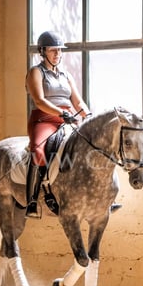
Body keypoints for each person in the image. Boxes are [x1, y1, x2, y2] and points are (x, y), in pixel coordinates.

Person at [25, 30, 90, 217]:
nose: (57, 54)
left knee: (90, 147)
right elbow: (39, 100)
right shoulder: (35, 72)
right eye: (53, 50)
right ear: (43, 51)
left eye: (60, 51)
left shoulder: (66, 75)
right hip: (44, 119)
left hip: (68, 118)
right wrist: (61, 112)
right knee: (37, 149)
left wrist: (89, 115)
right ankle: (33, 198)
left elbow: (78, 102)